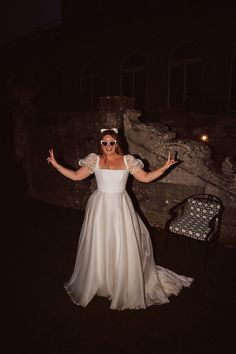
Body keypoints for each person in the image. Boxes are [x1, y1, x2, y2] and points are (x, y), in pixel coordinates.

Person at [47, 128, 193, 310]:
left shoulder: (127, 160)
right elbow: (76, 176)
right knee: (101, 243)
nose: (108, 146)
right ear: (100, 144)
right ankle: (101, 278)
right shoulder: (94, 160)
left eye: (111, 142)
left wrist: (164, 167)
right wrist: (56, 165)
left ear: (117, 143)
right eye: (104, 143)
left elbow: (146, 177)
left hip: (120, 207)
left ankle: (121, 280)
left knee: (121, 242)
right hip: (100, 207)